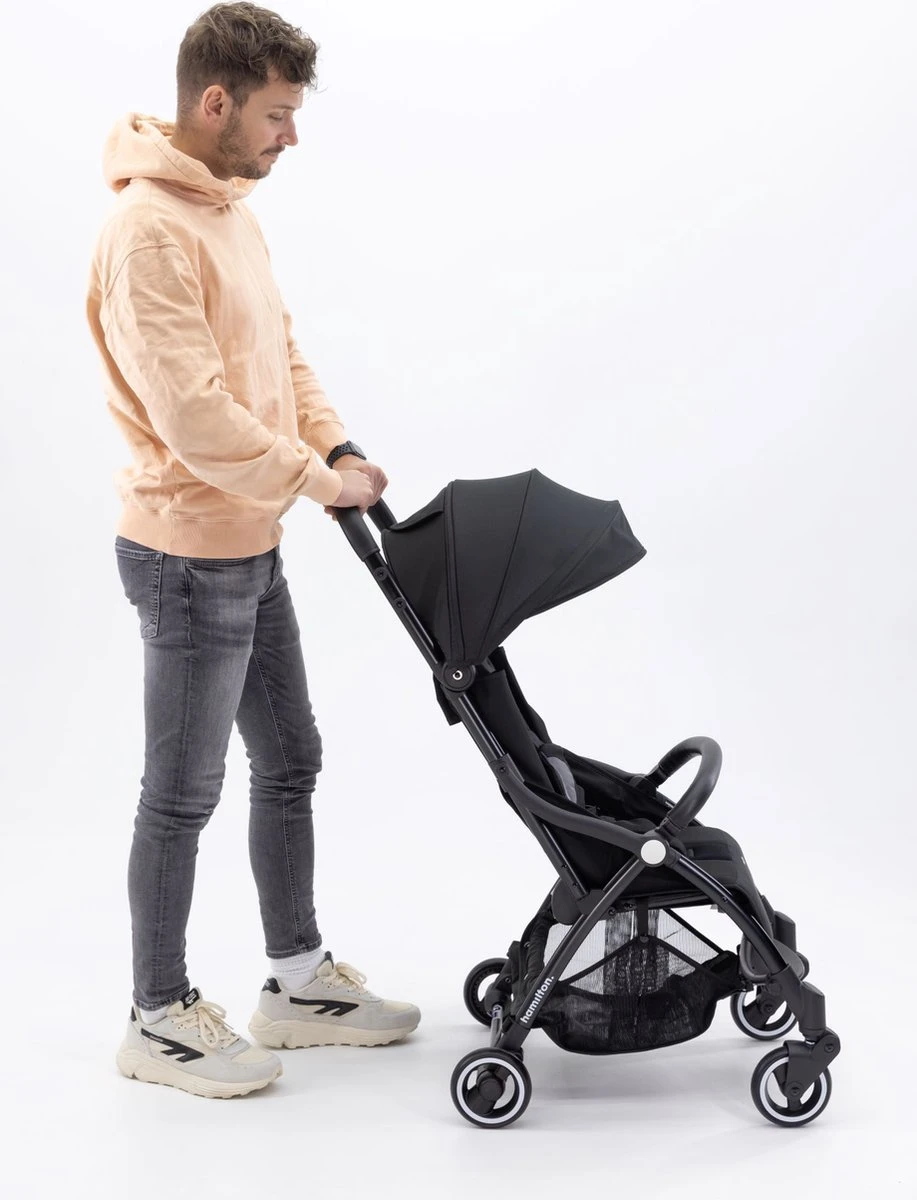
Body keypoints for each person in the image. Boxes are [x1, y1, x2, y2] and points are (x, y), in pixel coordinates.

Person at [85, 1, 420, 1099]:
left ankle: (296, 981)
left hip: (250, 540)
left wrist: (338, 445)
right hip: (187, 555)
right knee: (181, 794)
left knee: (290, 759)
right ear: (216, 102)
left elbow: (279, 354)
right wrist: (318, 483)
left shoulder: (227, 209)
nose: (291, 136)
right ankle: (157, 1017)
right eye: (277, 115)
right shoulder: (148, 231)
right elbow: (195, 416)